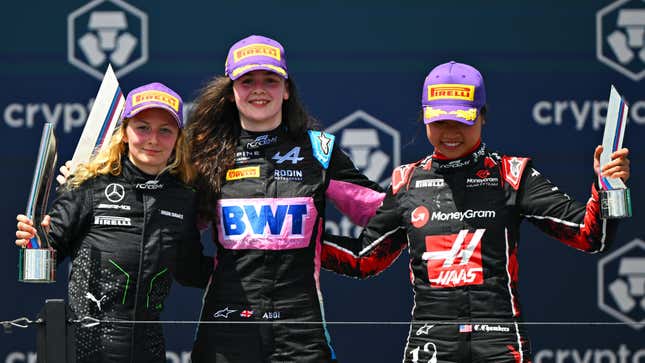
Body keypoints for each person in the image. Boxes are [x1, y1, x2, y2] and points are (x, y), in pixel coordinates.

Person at [321, 61, 631, 362]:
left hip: (498, 342)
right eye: (440, 120)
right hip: (431, 343)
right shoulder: (407, 182)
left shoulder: (512, 174)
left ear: (482, 116)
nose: (450, 131)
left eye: (462, 119)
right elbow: (365, 260)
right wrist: (300, 241)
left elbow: (591, 237)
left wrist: (610, 187)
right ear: (425, 118)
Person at [186, 35, 384, 362]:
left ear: (287, 89)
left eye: (271, 80)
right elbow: (171, 222)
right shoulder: (208, 154)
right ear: (232, 93)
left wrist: (323, 248)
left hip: (300, 328)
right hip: (227, 324)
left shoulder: (318, 151)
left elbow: (378, 211)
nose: (259, 89)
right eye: (247, 81)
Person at [15, 82, 211, 363]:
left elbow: (189, 269)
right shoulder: (89, 185)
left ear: (178, 139)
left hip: (149, 348)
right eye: (142, 127)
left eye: (165, 130)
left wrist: (241, 269)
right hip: (86, 346)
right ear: (125, 133)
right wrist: (35, 238)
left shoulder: (183, 197)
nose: (153, 139)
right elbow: (46, 255)